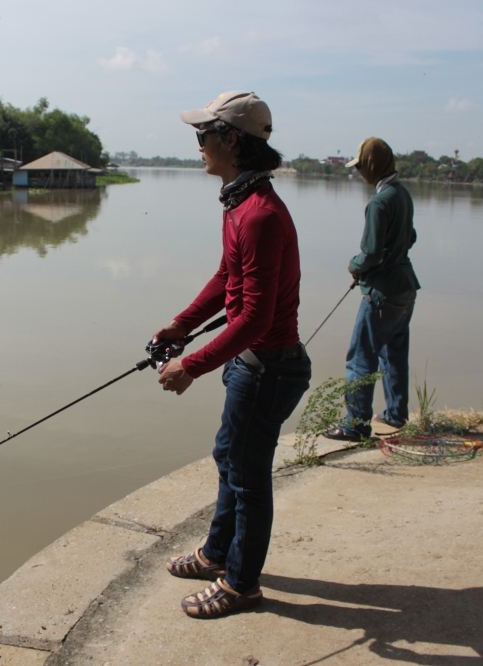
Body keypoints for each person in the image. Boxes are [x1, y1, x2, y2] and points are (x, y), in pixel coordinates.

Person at [153, 91, 311, 618]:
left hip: (270, 369)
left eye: (203, 136)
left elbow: (256, 319)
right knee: (230, 458)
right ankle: (217, 554)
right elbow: (228, 278)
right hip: (252, 365)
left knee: (247, 474)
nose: (198, 145)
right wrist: (181, 325)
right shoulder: (240, 202)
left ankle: (242, 585)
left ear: (230, 141)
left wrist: (191, 365)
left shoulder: (261, 214)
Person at [323, 137, 420, 442]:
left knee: (360, 357)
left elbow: (371, 253)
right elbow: (410, 236)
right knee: (394, 353)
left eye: (361, 166)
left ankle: (356, 424)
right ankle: (395, 414)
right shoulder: (402, 194)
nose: (359, 172)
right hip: (406, 288)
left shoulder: (379, 202)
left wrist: (355, 265)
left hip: (381, 293)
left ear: (371, 167)